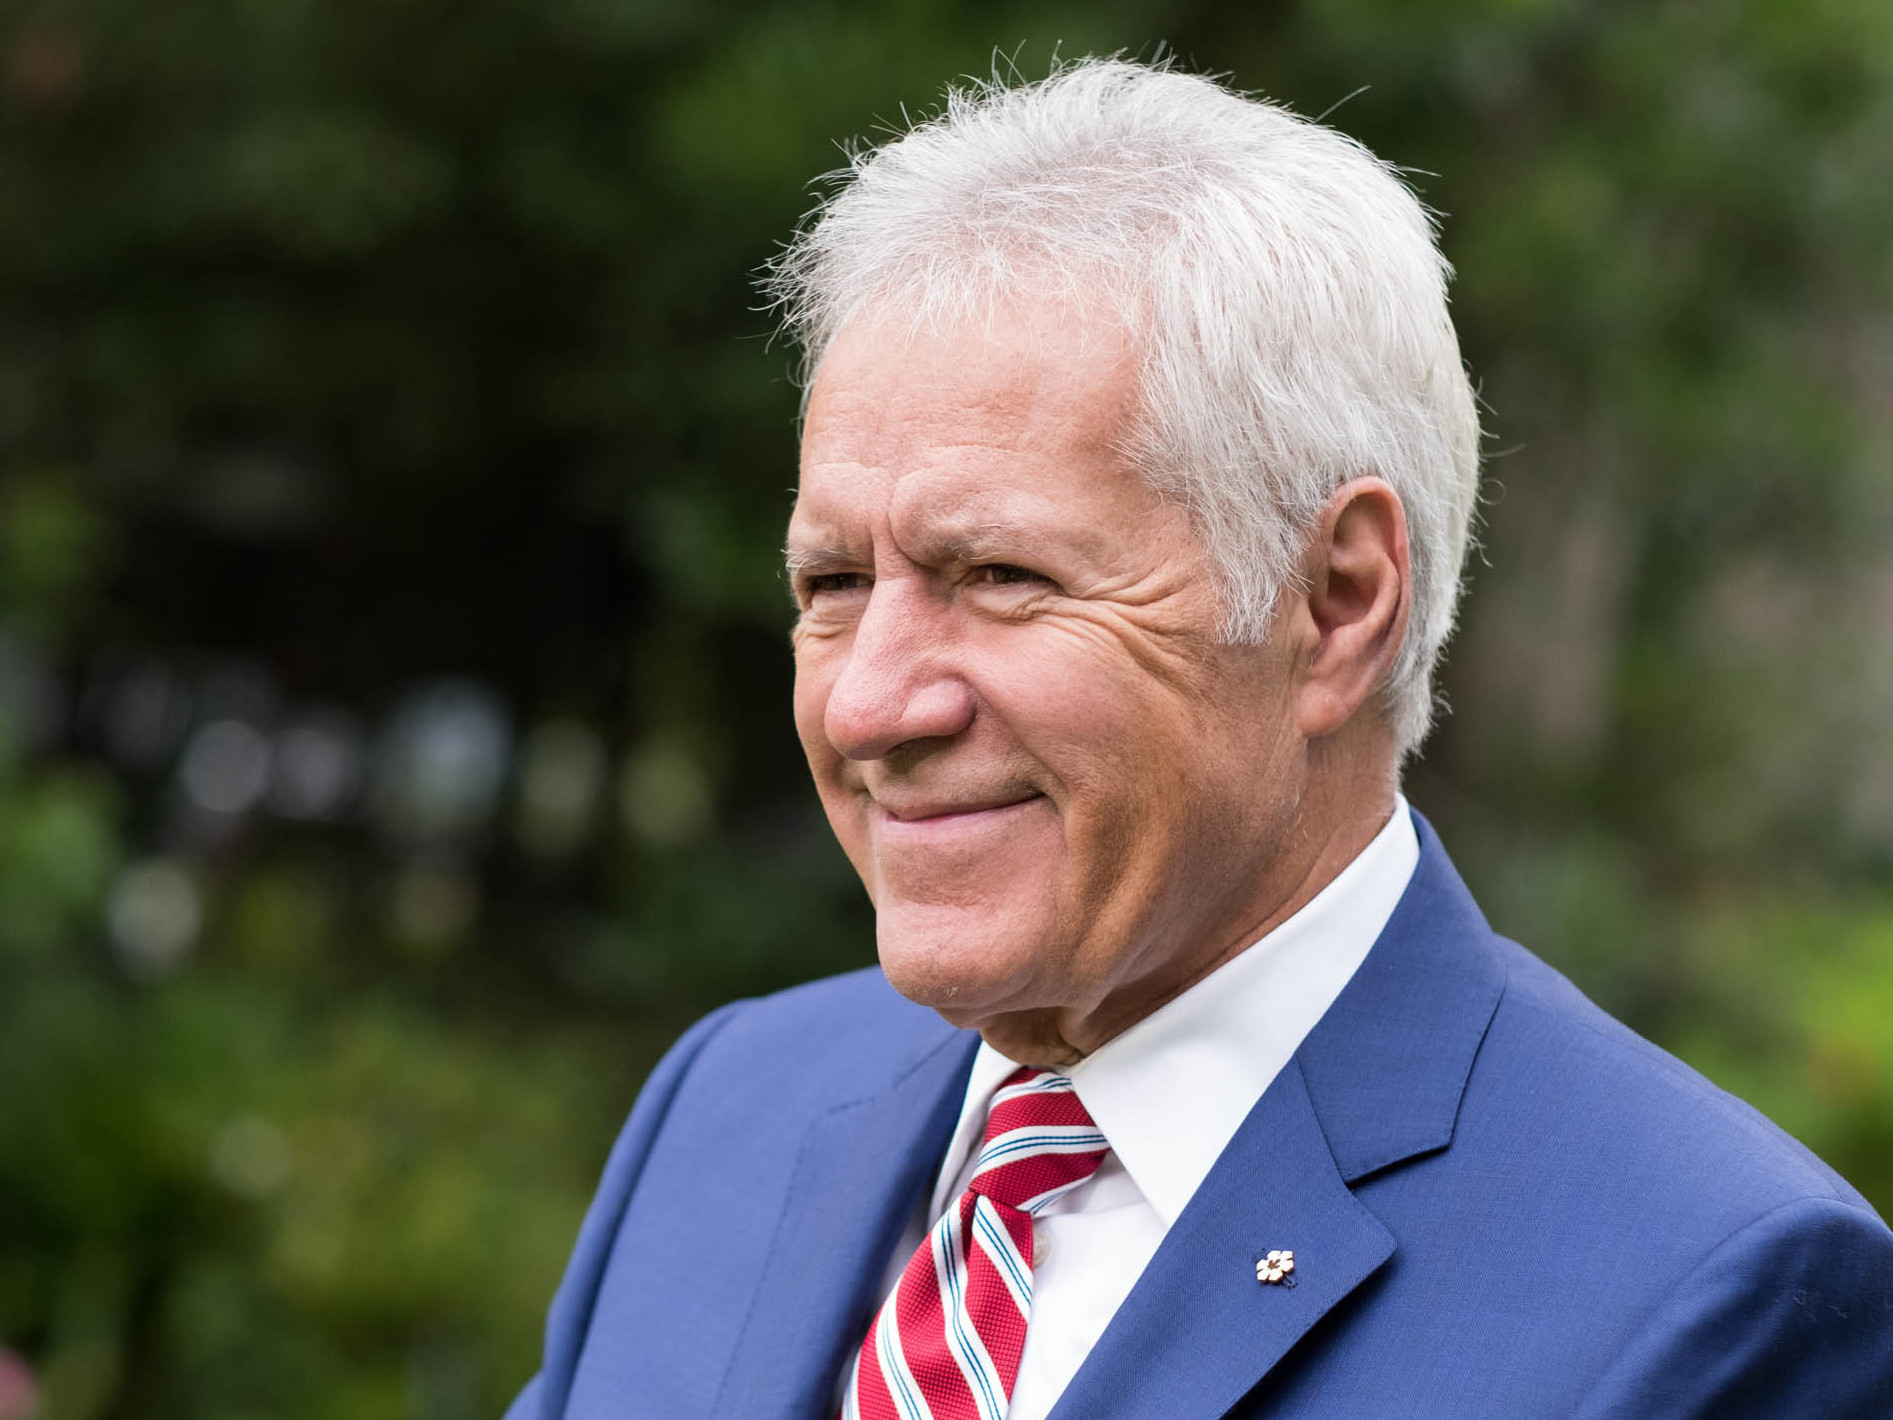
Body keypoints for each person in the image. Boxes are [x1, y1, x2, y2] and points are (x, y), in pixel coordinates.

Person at [505, 60, 1893, 1420]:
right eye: (833, 583)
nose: (868, 707)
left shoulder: (1709, 1297)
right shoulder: (727, 1111)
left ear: (1334, 603)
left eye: (1000, 576)